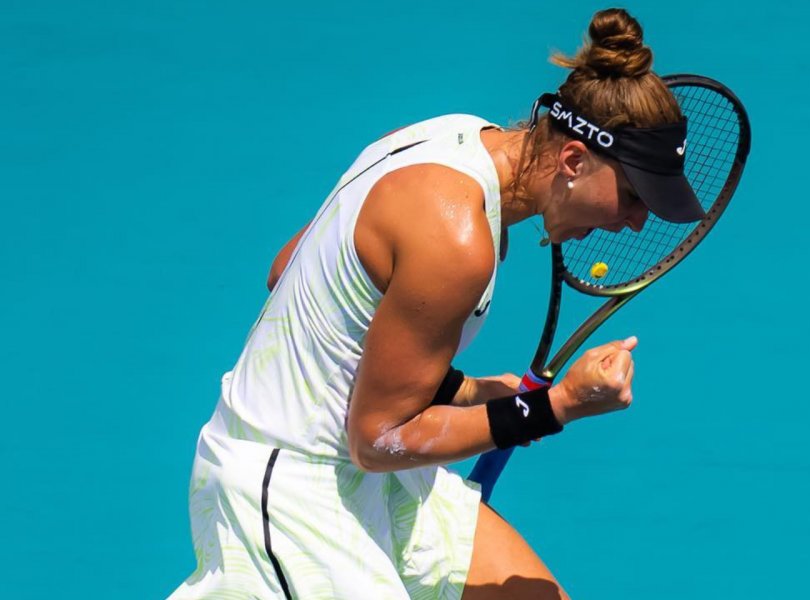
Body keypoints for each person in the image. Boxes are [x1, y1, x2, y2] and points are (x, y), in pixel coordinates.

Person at [169, 8, 704, 600]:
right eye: (633, 197)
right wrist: (553, 408)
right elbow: (377, 441)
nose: (636, 223)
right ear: (574, 161)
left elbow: (290, 274)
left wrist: (470, 392)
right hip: (292, 495)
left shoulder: (451, 137)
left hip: (372, 474)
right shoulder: (456, 239)